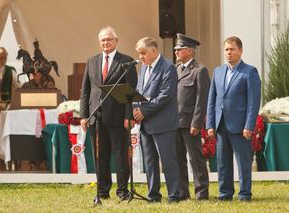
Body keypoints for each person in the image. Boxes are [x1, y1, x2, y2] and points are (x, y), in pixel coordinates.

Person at [79, 26, 137, 200]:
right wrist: (84, 115)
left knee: (120, 155)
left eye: (109, 39)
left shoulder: (126, 61)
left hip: (119, 117)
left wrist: (129, 116)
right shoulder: (92, 61)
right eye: (103, 40)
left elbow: (130, 92)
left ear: (116, 40)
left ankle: (122, 191)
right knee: (101, 156)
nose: (105, 43)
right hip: (96, 116)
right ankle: (103, 191)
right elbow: (85, 90)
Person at [206, 36, 261, 201]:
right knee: (223, 163)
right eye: (226, 50)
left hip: (240, 126)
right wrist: (210, 124)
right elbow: (212, 99)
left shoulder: (250, 72)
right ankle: (225, 194)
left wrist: (249, 126)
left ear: (241, 50)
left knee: (243, 163)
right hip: (221, 125)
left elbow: (253, 102)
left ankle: (244, 194)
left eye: (232, 49)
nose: (229, 53)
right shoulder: (218, 71)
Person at [133, 37, 180, 203]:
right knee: (150, 162)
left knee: (168, 161)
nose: (140, 57)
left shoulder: (168, 67)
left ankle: (174, 195)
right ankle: (153, 195)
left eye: (143, 53)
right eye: (139, 53)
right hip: (146, 124)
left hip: (164, 123)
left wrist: (144, 111)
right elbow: (139, 91)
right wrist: (136, 109)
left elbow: (165, 95)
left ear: (154, 51)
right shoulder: (143, 68)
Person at [174, 33, 210, 201]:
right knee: (178, 159)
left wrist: (197, 123)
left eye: (179, 49)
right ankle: (182, 193)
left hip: (190, 123)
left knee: (196, 159)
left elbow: (201, 100)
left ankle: (201, 193)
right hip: (175, 122)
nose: (176, 52)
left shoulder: (199, 70)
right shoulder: (175, 69)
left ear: (189, 51)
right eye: (176, 49)